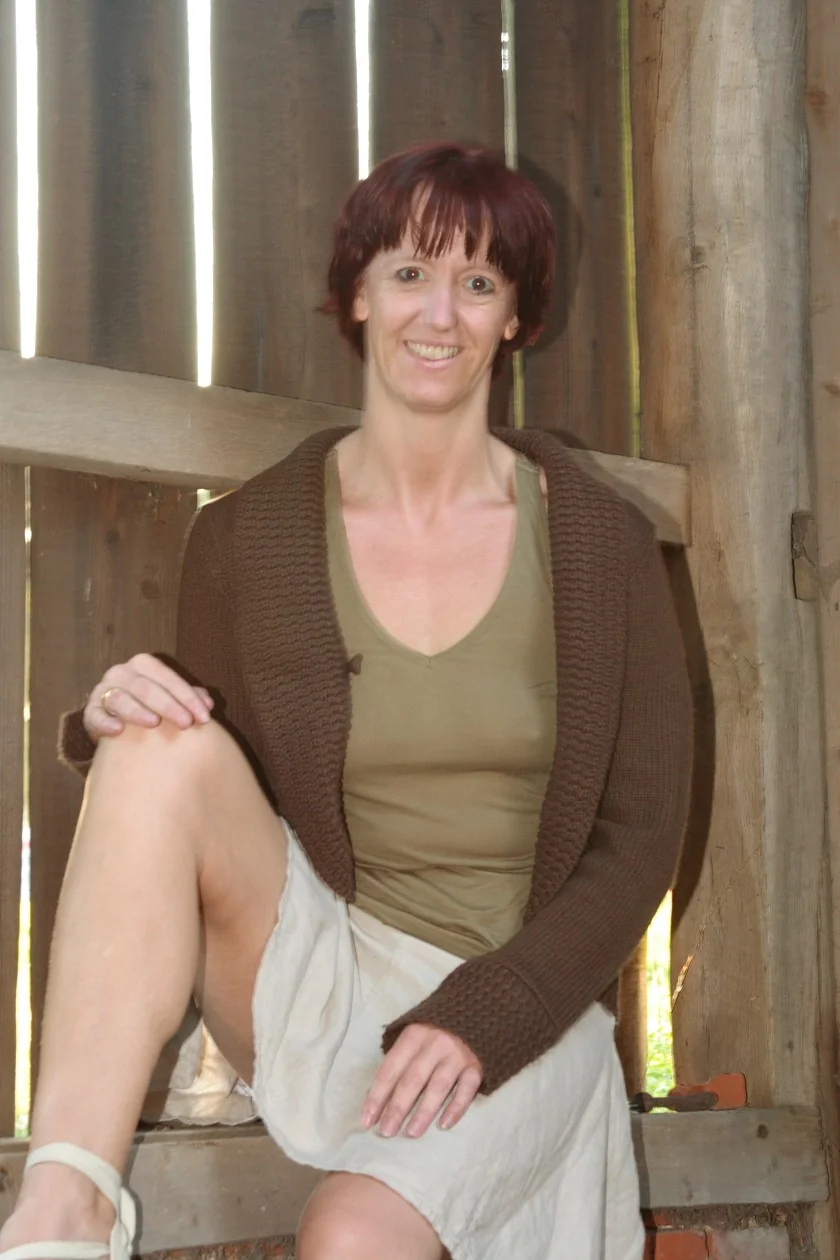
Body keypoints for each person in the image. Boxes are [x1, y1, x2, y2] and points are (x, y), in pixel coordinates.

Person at [0, 142, 693, 1260]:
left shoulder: (601, 546)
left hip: (519, 1001)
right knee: (162, 745)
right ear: (359, 293)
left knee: (353, 1235)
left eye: (478, 282)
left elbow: (643, 836)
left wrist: (494, 1011)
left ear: (516, 318)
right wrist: (117, 720)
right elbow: (217, 777)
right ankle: (66, 1203)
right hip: (317, 972)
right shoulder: (248, 536)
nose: (440, 312)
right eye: (410, 272)